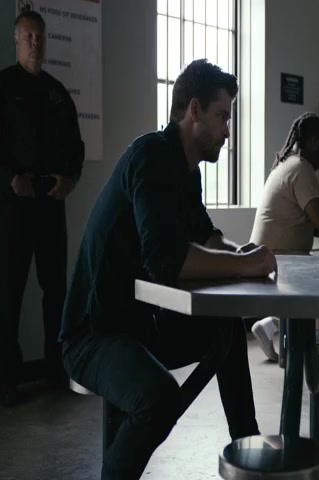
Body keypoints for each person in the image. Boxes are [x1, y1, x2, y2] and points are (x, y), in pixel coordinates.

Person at [59, 60, 276, 480]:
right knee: (157, 397)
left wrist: (246, 252)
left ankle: (248, 456)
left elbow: (207, 236)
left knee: (228, 329)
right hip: (92, 335)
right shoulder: (151, 156)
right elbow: (166, 263)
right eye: (222, 116)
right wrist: (244, 263)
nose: (227, 131)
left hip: (137, 326)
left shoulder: (185, 169)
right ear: (194, 110)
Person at [0, 9, 84, 407]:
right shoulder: (3, 86)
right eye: (29, 36)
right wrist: (8, 178)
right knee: (9, 292)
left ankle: (56, 368)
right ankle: (6, 378)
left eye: (40, 37)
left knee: (56, 291)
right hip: (13, 207)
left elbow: (76, 147)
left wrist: (70, 180)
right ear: (16, 40)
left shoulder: (57, 92)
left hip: (51, 204)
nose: (36, 43)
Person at [249, 113, 319, 368]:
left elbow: (314, 219)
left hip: (268, 258)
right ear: (312, 142)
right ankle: (316, 349)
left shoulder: (287, 165)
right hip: (280, 259)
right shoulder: (301, 168)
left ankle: (272, 326)